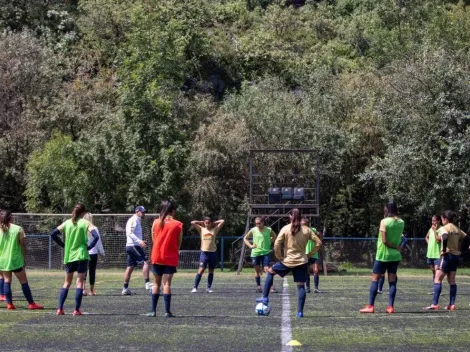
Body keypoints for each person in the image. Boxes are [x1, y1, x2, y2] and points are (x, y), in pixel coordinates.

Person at [256, 208, 321, 318]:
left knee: (271, 272)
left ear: (290, 217)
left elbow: (277, 243)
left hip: (288, 261)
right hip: (302, 261)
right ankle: (300, 312)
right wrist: (309, 254)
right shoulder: (307, 230)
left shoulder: (286, 228)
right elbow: (318, 242)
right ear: (300, 217)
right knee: (301, 286)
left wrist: (279, 256)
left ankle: (265, 298)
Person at [51, 203, 100, 316]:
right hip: (81, 255)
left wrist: (63, 245)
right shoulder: (86, 223)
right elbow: (96, 236)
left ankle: (60, 309)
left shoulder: (67, 223)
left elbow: (53, 234)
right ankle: (76, 310)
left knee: (67, 283)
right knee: (79, 283)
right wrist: (89, 247)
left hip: (69, 255)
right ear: (83, 213)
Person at [360, 201, 405, 314]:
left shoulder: (384, 221)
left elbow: (384, 241)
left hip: (383, 255)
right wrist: (398, 247)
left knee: (375, 279)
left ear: (387, 210)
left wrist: (395, 246)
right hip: (395, 256)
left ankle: (370, 306)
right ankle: (390, 307)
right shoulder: (401, 222)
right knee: (392, 281)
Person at [0, 210, 43, 310]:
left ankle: (9, 304)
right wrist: (24, 258)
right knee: (23, 282)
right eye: (12, 216)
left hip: (3, 260)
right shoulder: (18, 229)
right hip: (16, 260)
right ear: (10, 217)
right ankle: (31, 304)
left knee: (7, 281)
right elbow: (22, 245)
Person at [424, 210, 467, 310]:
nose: (442, 220)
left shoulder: (445, 228)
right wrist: (461, 250)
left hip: (447, 256)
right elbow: (467, 237)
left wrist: (443, 250)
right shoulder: (457, 228)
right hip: (455, 256)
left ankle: (434, 304)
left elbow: (444, 236)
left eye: (442, 218)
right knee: (451, 280)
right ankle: (451, 304)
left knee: (437, 279)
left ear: (445, 219)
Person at [147, 200, 183, 317]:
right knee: (166, 283)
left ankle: (153, 311)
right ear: (172, 211)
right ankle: (167, 311)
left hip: (157, 255)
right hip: (171, 256)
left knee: (156, 283)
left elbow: (153, 239)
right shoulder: (178, 224)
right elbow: (179, 242)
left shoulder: (156, 222)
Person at [122, 206, 152, 295]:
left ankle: (125, 288)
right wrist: (139, 241)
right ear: (137, 211)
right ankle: (147, 284)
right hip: (133, 246)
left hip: (133, 245)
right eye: (142, 212)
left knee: (130, 267)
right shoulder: (133, 220)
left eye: (144, 212)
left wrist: (140, 241)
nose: (143, 213)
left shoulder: (137, 220)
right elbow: (129, 233)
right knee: (146, 261)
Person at [191, 216, 225, 293]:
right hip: (204, 253)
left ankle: (209, 288)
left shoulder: (215, 230)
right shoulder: (201, 229)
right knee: (201, 270)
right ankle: (195, 287)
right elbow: (192, 222)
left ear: (211, 223)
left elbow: (222, 221)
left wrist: (214, 223)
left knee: (211, 271)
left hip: (213, 253)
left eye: (209, 223)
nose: (207, 224)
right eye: (206, 223)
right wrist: (201, 222)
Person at [244, 217, 277, 293]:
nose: (257, 225)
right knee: (257, 271)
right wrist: (250, 245)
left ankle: (271, 286)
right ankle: (259, 287)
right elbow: (245, 238)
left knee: (268, 270)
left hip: (266, 253)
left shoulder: (269, 230)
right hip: (256, 253)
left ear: (263, 222)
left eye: (259, 223)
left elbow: (274, 236)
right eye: (256, 223)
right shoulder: (253, 230)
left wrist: (270, 242)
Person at [82, 212, 105, 296]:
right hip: (93, 253)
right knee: (92, 271)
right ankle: (92, 290)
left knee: (83, 271)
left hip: (84, 252)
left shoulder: (81, 227)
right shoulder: (94, 228)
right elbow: (98, 241)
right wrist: (102, 251)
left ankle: (83, 289)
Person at [300, 217, 322, 293]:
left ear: (308, 224)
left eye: (305, 225)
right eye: (302, 224)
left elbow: (319, 235)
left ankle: (316, 288)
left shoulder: (313, 230)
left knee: (316, 270)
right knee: (306, 271)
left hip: (313, 253)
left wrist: (319, 241)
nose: (303, 226)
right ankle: (307, 288)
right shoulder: (299, 231)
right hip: (305, 254)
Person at [425, 215, 444, 294]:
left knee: (437, 273)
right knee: (433, 272)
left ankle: (438, 290)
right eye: (432, 220)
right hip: (430, 254)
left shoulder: (441, 229)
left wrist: (435, 231)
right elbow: (426, 237)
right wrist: (429, 243)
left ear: (439, 221)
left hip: (437, 255)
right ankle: (435, 289)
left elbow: (438, 240)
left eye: (434, 220)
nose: (433, 222)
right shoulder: (430, 229)